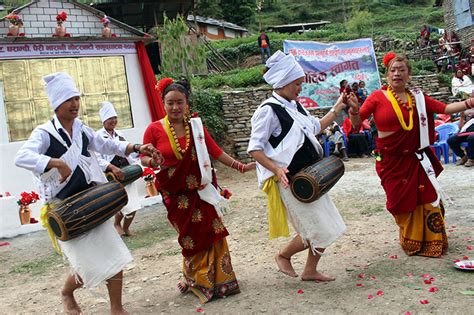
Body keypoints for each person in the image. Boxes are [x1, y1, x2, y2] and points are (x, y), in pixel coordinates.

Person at [14, 72, 162, 314]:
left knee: (113, 254)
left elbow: (106, 145)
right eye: (68, 99)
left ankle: (117, 307)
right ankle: (67, 292)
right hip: (65, 207)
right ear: (56, 104)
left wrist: (135, 147)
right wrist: (56, 163)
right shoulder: (44, 133)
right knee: (86, 262)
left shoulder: (81, 129)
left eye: (76, 99)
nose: (74, 104)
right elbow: (22, 157)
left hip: (91, 199)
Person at [348, 52, 474, 257]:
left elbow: (445, 108)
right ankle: (411, 240)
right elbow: (356, 124)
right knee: (399, 202)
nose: (397, 74)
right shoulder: (377, 97)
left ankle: (433, 243)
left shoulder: (418, 97)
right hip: (391, 161)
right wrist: (354, 110)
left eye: (401, 70)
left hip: (418, 158)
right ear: (387, 74)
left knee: (429, 198)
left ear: (409, 74)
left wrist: (470, 102)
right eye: (393, 70)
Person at [141, 78, 255, 303]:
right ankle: (195, 278)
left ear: (187, 104)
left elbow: (215, 151)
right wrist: (151, 161)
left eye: (179, 102)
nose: (175, 107)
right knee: (190, 237)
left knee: (212, 229)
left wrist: (241, 166)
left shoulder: (196, 127)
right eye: (170, 103)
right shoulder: (153, 129)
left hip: (201, 191)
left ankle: (220, 280)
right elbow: (144, 156)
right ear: (163, 103)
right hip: (175, 195)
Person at [247, 50, 347, 281]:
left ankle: (310, 270)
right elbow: (254, 149)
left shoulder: (295, 106)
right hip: (290, 180)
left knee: (328, 225)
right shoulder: (268, 111)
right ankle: (283, 255)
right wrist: (276, 169)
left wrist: (337, 107)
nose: (300, 88)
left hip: (312, 177)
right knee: (316, 227)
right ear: (283, 82)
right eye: (297, 83)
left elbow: (316, 127)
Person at [96, 101, 142, 237]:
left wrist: (138, 161)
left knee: (133, 203)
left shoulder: (120, 134)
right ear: (104, 120)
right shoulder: (98, 136)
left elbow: (128, 151)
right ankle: (117, 224)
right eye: (110, 118)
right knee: (120, 203)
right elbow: (97, 158)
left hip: (127, 173)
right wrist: (111, 167)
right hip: (112, 176)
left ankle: (126, 227)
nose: (113, 121)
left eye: (115, 118)